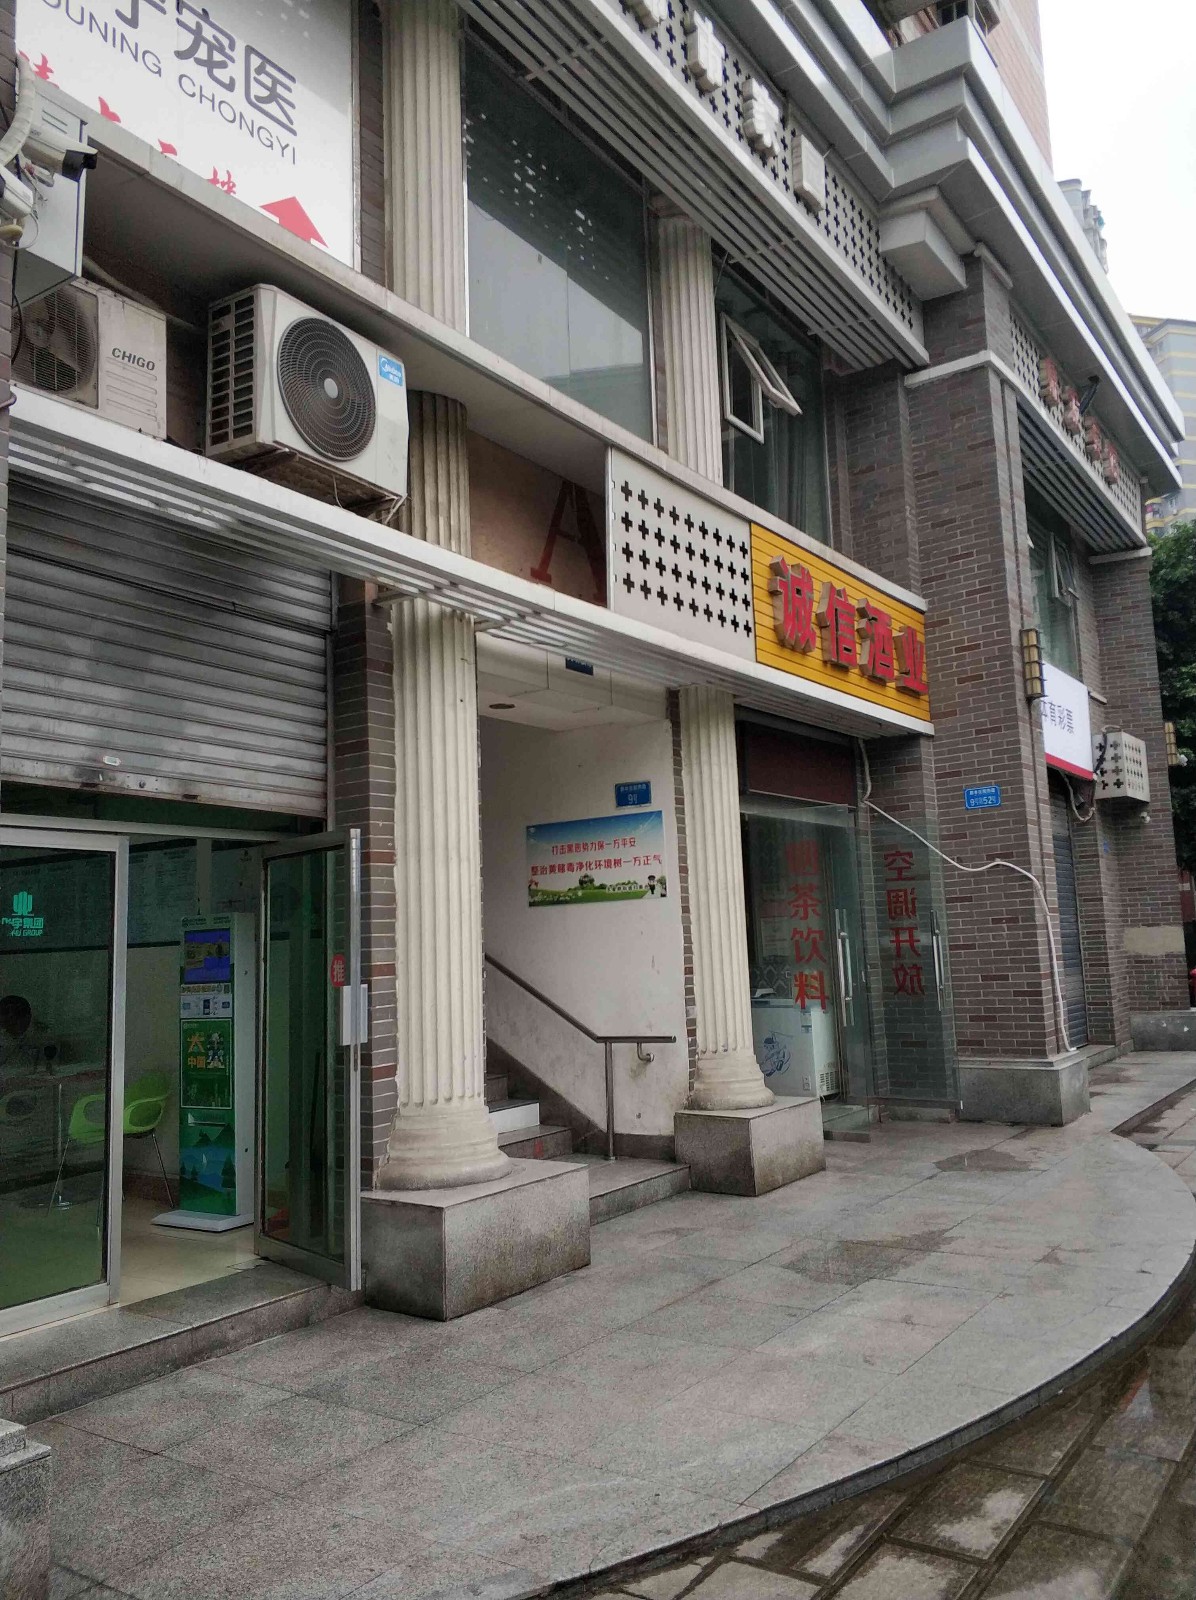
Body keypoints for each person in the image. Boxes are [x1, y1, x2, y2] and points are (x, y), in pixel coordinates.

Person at [0, 995, 52, 1075]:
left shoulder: (42, 1036)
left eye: (10, 1024)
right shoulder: (4, 1035)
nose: (5, 1028)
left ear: (27, 1018)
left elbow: (47, 1069)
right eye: (3, 1024)